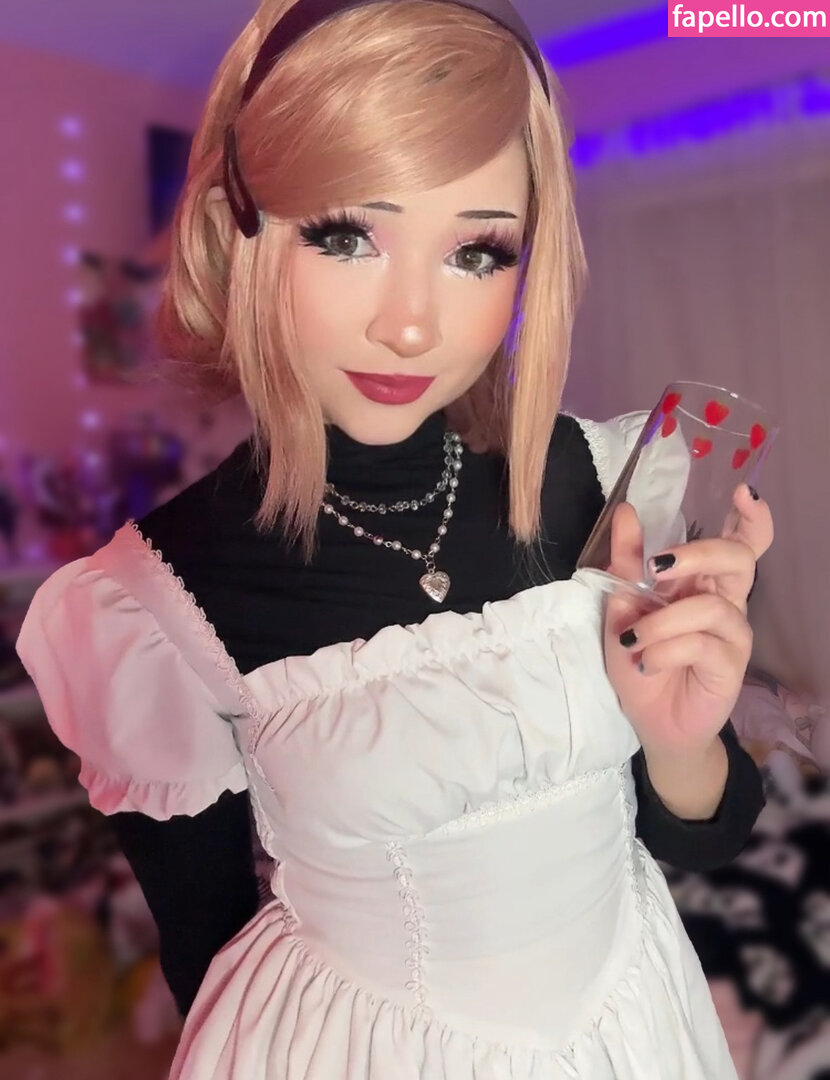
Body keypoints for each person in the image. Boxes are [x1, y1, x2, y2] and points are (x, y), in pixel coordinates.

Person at [16, 1, 774, 1077]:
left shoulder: (603, 482)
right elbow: (206, 953)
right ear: (240, 230)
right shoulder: (151, 604)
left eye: (476, 251)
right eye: (344, 237)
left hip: (635, 1026)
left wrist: (682, 739)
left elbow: (704, 835)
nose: (409, 324)